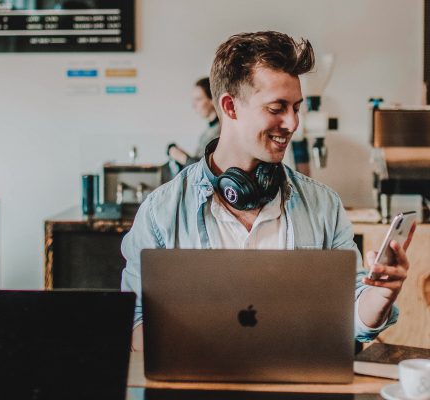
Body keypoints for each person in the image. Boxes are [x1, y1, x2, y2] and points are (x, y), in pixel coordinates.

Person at [121, 31, 415, 352]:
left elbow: (352, 319)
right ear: (230, 107)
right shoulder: (160, 212)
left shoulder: (323, 204)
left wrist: (381, 294)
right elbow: (135, 320)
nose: (292, 123)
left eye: (296, 108)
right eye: (277, 108)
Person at [168, 77, 221, 168]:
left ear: (212, 99)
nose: (194, 105)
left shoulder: (221, 131)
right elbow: (199, 161)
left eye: (198, 99)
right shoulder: (209, 130)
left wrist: (181, 157)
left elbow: (204, 171)